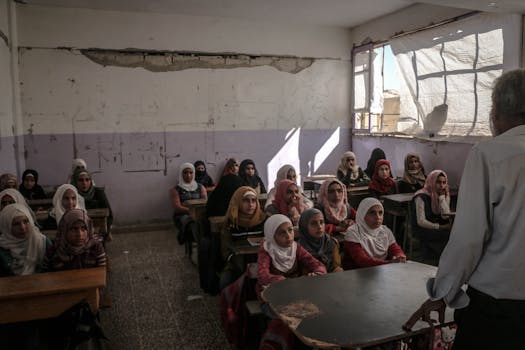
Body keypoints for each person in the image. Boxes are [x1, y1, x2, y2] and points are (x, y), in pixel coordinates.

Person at [403, 69, 525, 349]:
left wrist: (443, 292)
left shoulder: (489, 154)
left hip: (499, 308)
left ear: (496, 111)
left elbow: (469, 238)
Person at [257, 214, 327, 350]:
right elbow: (262, 275)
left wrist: (316, 273)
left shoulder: (295, 248)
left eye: (290, 230)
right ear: (272, 235)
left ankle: (309, 344)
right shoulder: (267, 250)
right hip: (271, 297)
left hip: (294, 293)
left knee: (316, 313)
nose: (288, 236)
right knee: (295, 318)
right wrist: (282, 281)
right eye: (282, 233)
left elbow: (318, 265)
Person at [219, 186, 266, 289]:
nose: (251, 205)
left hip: (263, 261)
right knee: (225, 280)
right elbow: (225, 251)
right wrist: (238, 262)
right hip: (237, 263)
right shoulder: (231, 224)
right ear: (238, 202)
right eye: (245, 200)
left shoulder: (264, 220)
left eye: (254, 201)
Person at [343, 197, 406, 269]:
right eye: (372, 213)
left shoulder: (385, 230)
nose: (378, 217)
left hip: (381, 270)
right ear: (362, 214)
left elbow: (395, 249)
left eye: (380, 213)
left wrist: (399, 257)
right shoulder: (353, 232)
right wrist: (390, 263)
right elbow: (362, 261)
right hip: (356, 273)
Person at [411, 169, 452, 263]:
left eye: (444, 182)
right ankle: (438, 259)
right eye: (438, 182)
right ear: (431, 181)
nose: (441, 185)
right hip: (422, 228)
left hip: (436, 225)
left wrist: (442, 198)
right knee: (446, 235)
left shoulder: (443, 194)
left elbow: (446, 216)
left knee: (454, 234)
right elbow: (421, 221)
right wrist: (440, 227)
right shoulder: (421, 196)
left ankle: (443, 259)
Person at [0, 203, 51, 276]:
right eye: (16, 224)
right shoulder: (2, 247)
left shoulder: (42, 242)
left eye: (25, 221)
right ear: (7, 226)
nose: (22, 227)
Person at [170, 163, 207, 246]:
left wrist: (188, 206)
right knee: (191, 223)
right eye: (185, 173)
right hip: (181, 215)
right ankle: (199, 244)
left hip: (198, 214)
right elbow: (178, 208)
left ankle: (204, 244)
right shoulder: (175, 190)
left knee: (205, 222)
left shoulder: (200, 187)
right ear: (181, 174)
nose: (188, 175)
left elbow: (204, 203)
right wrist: (192, 211)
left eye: (191, 172)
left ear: (194, 173)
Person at [298, 208, 343, 272]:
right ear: (304, 226)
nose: (319, 227)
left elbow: (336, 266)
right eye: (314, 223)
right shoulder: (299, 248)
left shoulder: (331, 242)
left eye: (321, 222)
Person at [72, 168, 113, 235]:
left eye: (87, 180)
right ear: (75, 182)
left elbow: (110, 215)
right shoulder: (73, 194)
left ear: (91, 181)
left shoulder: (98, 193)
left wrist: (105, 230)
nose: (84, 183)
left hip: (98, 231)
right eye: (80, 180)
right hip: (79, 232)